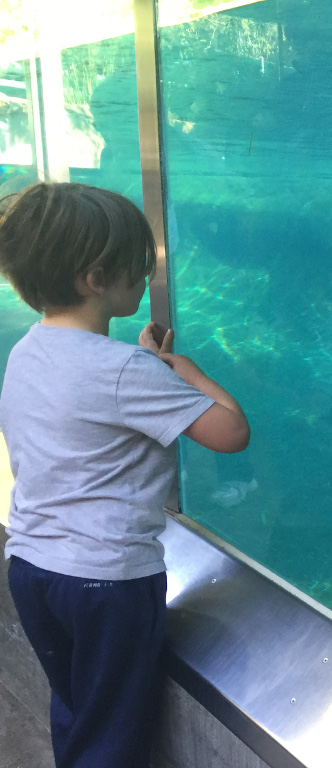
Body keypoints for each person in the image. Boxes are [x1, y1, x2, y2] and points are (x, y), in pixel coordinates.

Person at [0, 182, 249, 768]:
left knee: (79, 705)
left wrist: (143, 365)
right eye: (139, 269)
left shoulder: (27, 350)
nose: (147, 279)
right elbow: (230, 433)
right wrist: (182, 370)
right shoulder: (129, 372)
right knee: (114, 729)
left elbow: (97, 393)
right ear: (95, 278)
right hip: (106, 585)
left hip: (33, 570)